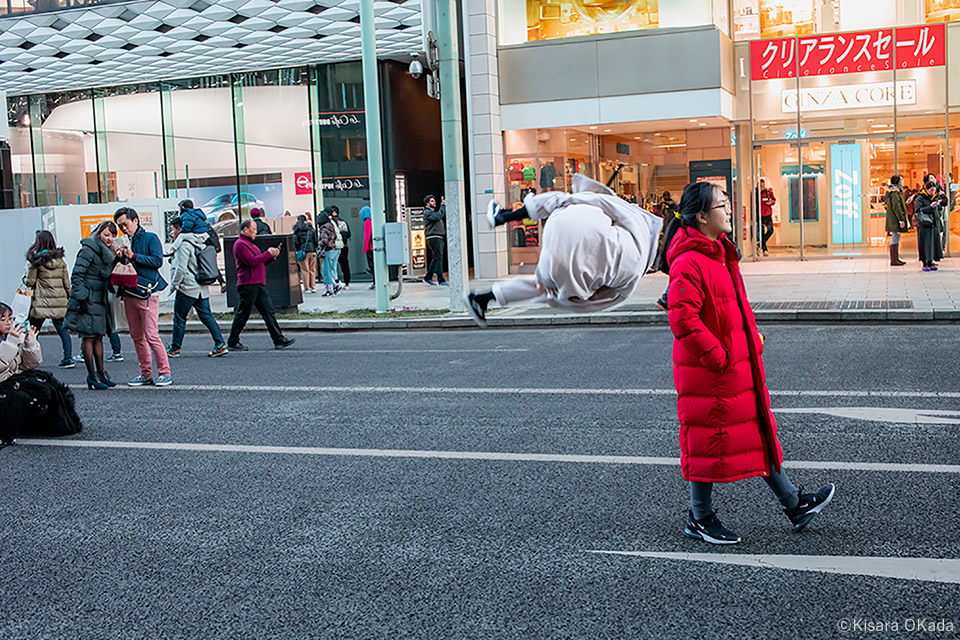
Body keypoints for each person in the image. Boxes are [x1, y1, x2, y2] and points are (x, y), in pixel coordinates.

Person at [664, 181, 834, 544]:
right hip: (712, 372)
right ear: (701, 216)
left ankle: (794, 504)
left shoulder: (718, 253)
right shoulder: (690, 260)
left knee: (756, 432)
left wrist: (750, 340)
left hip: (738, 365)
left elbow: (731, 309)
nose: (729, 211)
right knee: (708, 439)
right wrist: (720, 356)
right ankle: (700, 517)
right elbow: (684, 320)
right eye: (722, 206)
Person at [466, 174, 663, 327]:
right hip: (571, 277)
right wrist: (566, 298)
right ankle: (483, 299)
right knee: (541, 288)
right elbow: (603, 301)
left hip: (562, 228)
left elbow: (586, 201)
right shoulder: (635, 274)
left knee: (562, 199)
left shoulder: (633, 214)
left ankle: (503, 216)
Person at [113, 207, 172, 387]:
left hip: (147, 292)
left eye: (125, 224)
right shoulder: (124, 241)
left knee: (151, 335)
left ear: (136, 220)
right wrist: (119, 257)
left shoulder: (150, 238)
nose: (123, 228)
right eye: (120, 226)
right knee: (137, 336)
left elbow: (157, 261)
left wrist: (134, 255)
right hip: (129, 292)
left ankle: (165, 372)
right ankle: (145, 373)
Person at [63, 221, 119, 391]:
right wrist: (82, 297)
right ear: (98, 233)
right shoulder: (88, 249)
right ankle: (92, 375)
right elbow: (77, 274)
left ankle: (101, 373)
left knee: (99, 336)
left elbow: (105, 274)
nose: (110, 238)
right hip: (87, 299)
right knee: (88, 337)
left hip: (100, 299)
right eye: (106, 234)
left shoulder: (108, 252)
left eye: (113, 235)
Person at [227, 219, 295, 351]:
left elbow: (259, 262)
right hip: (248, 284)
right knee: (243, 314)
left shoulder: (251, 245)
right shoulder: (240, 244)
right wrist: (267, 253)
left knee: (268, 311)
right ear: (245, 230)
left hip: (257, 283)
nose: (255, 233)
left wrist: (271, 256)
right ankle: (232, 340)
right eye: (253, 230)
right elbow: (251, 262)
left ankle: (278, 339)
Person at [166, 216, 228, 359]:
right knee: (207, 316)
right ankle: (220, 344)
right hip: (201, 287)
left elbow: (181, 268)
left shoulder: (184, 244)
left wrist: (175, 285)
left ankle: (175, 348)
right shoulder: (199, 241)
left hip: (187, 287)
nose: (172, 233)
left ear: (179, 229)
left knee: (180, 318)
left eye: (173, 229)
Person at [24, 230, 73, 368]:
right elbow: (66, 282)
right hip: (59, 301)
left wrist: (26, 273)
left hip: (41, 302)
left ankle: (30, 358)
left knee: (34, 330)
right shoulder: (60, 261)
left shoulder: (36, 261)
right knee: (62, 330)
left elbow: (30, 282)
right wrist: (70, 297)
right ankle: (68, 358)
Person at [0, 302, 42, 384]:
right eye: (3, 320)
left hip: (12, 383)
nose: (9, 323)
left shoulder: (13, 337)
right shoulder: (12, 339)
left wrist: (30, 343)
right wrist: (11, 343)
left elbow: (29, 365)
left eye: (10, 318)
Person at [915, 181, 945, 271]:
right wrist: (930, 207)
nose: (932, 192)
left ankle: (931, 261)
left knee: (933, 243)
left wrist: (938, 204)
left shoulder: (935, 197)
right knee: (925, 243)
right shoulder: (920, 198)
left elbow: (942, 205)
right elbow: (918, 210)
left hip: (934, 223)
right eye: (931, 190)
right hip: (924, 224)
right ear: (926, 189)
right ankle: (925, 263)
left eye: (934, 190)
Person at [423, 194, 447, 286]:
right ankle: (440, 279)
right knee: (438, 257)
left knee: (437, 257)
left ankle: (428, 277)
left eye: (434, 201)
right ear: (427, 203)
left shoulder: (432, 212)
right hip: (433, 237)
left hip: (438, 237)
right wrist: (443, 205)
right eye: (432, 201)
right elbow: (438, 216)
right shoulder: (428, 212)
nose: (434, 202)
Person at [317, 210, 342, 297]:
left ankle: (330, 288)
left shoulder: (323, 228)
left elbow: (324, 240)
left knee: (326, 271)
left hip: (328, 250)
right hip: (335, 249)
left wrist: (319, 244)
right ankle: (334, 286)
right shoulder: (332, 226)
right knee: (331, 269)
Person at [885, 175, 908, 267]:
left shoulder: (895, 191)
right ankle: (894, 260)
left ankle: (896, 258)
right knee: (895, 237)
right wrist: (901, 219)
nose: (902, 181)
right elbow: (896, 206)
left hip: (894, 218)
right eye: (901, 180)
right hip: (895, 219)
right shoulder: (895, 192)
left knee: (896, 237)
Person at [293, 214, 319, 293]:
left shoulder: (297, 230)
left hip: (303, 251)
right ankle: (313, 287)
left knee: (305, 270)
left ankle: (307, 287)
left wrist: (297, 250)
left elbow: (296, 242)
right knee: (312, 269)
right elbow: (316, 240)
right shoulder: (311, 229)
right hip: (312, 250)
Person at [331, 207, 352, 289]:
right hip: (344, 245)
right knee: (345, 264)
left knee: (333, 265)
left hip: (335, 246)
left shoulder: (332, 222)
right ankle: (347, 281)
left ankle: (335, 282)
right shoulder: (343, 222)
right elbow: (349, 234)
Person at [756, 179, 776, 256]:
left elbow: (774, 200)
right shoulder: (755, 193)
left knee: (770, 230)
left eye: (763, 185)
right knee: (761, 232)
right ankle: (765, 249)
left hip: (767, 214)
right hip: (759, 215)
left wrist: (771, 202)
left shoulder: (768, 192)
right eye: (760, 186)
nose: (762, 187)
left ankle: (760, 244)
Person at [361, 206, 375, 290]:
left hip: (370, 247)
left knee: (372, 265)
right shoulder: (374, 220)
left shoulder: (367, 221)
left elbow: (367, 235)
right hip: (375, 247)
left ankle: (375, 281)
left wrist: (364, 247)